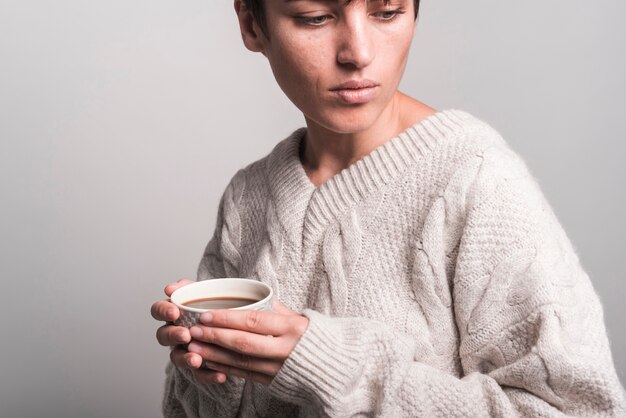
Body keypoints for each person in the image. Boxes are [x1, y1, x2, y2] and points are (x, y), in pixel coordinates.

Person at [150, 0, 626, 416]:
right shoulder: (248, 197)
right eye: (315, 18)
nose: (358, 53)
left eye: (387, 12)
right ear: (252, 25)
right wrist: (209, 365)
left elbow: (580, 411)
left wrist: (331, 367)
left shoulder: (475, 179)